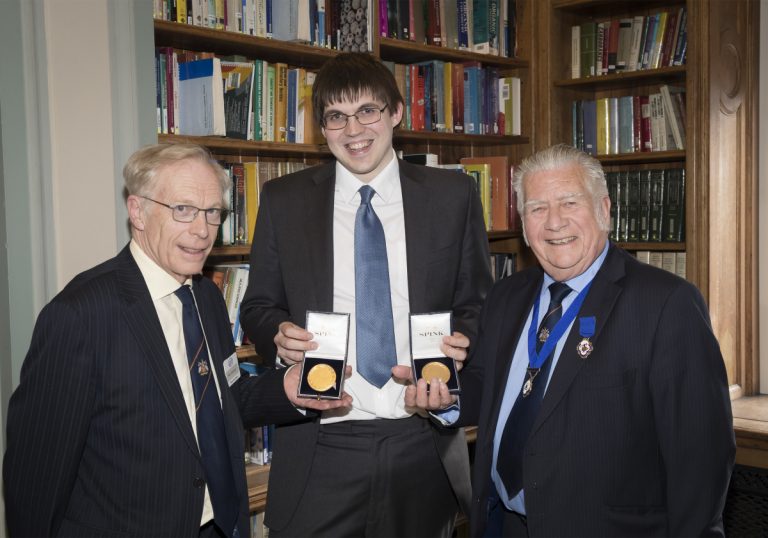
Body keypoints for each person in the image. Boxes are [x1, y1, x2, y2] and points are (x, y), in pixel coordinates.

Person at [3, 143, 351, 538]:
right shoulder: (80, 316)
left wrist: (286, 389)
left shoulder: (205, 298)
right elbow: (34, 477)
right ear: (138, 211)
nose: (202, 230)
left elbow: (225, 398)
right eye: (183, 210)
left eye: (212, 212)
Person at [396, 144, 736, 537]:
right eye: (537, 209)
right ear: (524, 225)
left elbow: (701, 457)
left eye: (569, 202)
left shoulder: (665, 303)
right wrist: (448, 395)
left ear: (604, 210)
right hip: (501, 523)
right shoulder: (507, 295)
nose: (554, 222)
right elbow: (489, 386)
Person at [239, 52, 492, 537]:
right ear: (323, 128)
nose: (353, 129)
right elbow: (258, 305)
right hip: (320, 447)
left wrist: (463, 341)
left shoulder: (452, 196)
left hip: (421, 439)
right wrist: (278, 335)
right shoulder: (284, 200)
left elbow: (477, 303)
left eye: (367, 111)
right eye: (336, 116)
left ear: (396, 112)